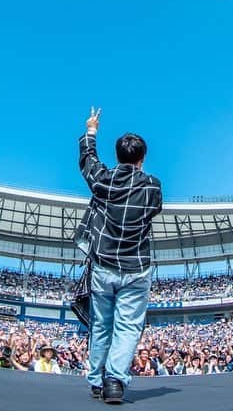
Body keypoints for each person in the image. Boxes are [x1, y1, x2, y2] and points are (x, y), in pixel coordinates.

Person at [79, 107, 163, 404]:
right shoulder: (152, 185)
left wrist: (91, 130)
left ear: (117, 156)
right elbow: (154, 210)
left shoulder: (102, 180)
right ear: (142, 159)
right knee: (127, 326)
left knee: (101, 324)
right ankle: (115, 381)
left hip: (104, 266)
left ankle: (95, 381)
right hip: (137, 267)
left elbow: (88, 162)